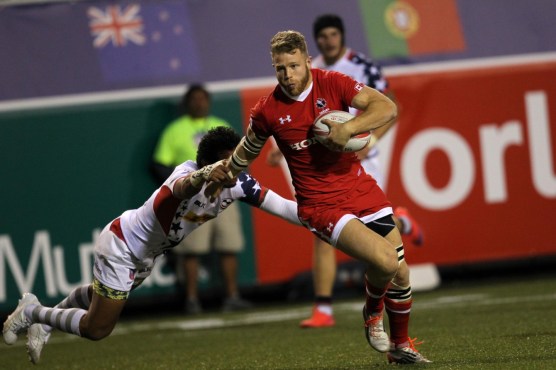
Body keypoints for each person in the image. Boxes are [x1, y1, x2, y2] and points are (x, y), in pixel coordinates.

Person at [213, 30, 429, 364]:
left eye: (294, 66)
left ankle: (400, 347)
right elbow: (247, 150)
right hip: (320, 206)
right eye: (280, 68)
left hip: (359, 187)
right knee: (386, 261)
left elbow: (386, 107)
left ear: (307, 62)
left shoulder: (334, 83)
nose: (288, 75)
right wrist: (223, 173)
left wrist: (350, 128)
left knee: (401, 274)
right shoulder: (268, 110)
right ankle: (372, 314)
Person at [3, 127, 302, 365]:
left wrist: (324, 217)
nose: (236, 168)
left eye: (238, 160)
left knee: (97, 295)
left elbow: (285, 208)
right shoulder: (183, 176)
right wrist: (204, 175)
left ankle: (45, 320)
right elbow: (177, 191)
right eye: (228, 162)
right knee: (97, 328)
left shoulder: (238, 184)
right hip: (122, 246)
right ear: (208, 164)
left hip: (147, 257)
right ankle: (35, 312)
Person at [294, 14, 424, 331]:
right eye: (322, 36)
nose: (329, 40)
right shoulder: (311, 73)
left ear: (342, 35)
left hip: (363, 156)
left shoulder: (362, 66)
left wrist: (370, 139)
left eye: (333, 34)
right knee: (324, 234)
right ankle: (323, 308)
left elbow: (391, 106)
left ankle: (399, 221)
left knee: (374, 236)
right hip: (328, 161)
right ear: (317, 41)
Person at [151, 84, 251, 314]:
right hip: (192, 197)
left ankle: (232, 296)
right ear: (187, 103)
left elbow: (239, 158)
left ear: (209, 101)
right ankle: (192, 299)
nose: (199, 103)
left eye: (203, 99)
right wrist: (182, 187)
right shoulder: (174, 129)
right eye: (194, 99)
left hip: (223, 194)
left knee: (229, 246)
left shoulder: (221, 125)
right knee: (191, 250)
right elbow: (159, 163)